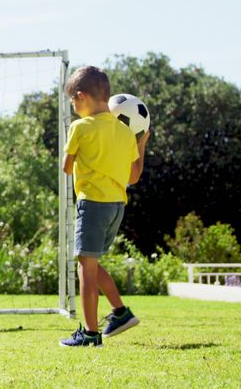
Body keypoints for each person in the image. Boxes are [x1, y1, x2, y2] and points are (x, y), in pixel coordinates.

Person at [59, 66, 150, 348]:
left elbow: (66, 168)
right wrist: (142, 142)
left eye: (72, 102)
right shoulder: (125, 133)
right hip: (115, 207)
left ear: (81, 96)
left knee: (85, 269)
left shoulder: (80, 127)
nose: (73, 107)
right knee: (92, 263)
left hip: (92, 203)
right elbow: (134, 176)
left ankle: (89, 334)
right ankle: (121, 313)